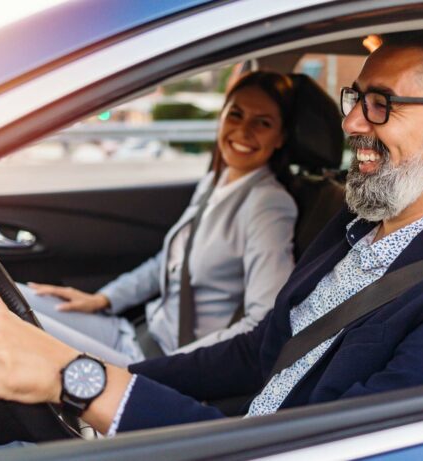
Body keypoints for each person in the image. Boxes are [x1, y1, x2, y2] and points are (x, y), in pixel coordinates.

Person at [0, 27, 423, 436]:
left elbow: (324, 446)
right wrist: (115, 372)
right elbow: (255, 351)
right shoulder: (354, 230)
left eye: (379, 103)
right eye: (355, 97)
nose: (352, 121)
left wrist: (80, 380)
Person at [19, 71, 301, 365]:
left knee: (15, 328)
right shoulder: (217, 182)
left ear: (280, 137)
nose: (243, 131)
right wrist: (104, 299)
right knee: (12, 298)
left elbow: (262, 321)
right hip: (136, 334)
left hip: (163, 363)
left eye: (263, 123)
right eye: (236, 115)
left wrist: (172, 369)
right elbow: (168, 262)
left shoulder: (268, 205)